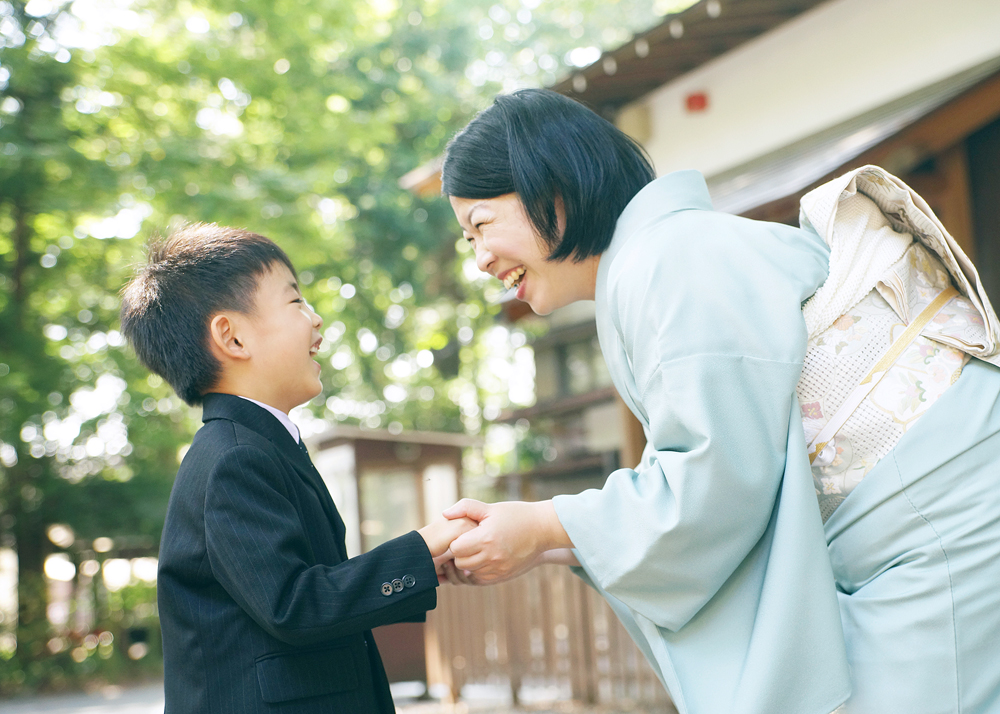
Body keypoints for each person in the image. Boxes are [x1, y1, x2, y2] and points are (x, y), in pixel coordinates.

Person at [436, 88, 1000, 714]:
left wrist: (546, 525)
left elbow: (716, 479)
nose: (481, 258)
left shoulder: (670, 259)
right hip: (914, 523)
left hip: (939, 516)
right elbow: (717, 481)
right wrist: (543, 540)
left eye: (481, 225)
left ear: (552, 190)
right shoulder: (663, 258)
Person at [119, 224, 474, 713]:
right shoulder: (235, 459)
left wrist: (422, 565)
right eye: (295, 302)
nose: (316, 319)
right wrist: (424, 545)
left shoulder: (257, 446)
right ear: (232, 336)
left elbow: (298, 591)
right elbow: (295, 606)